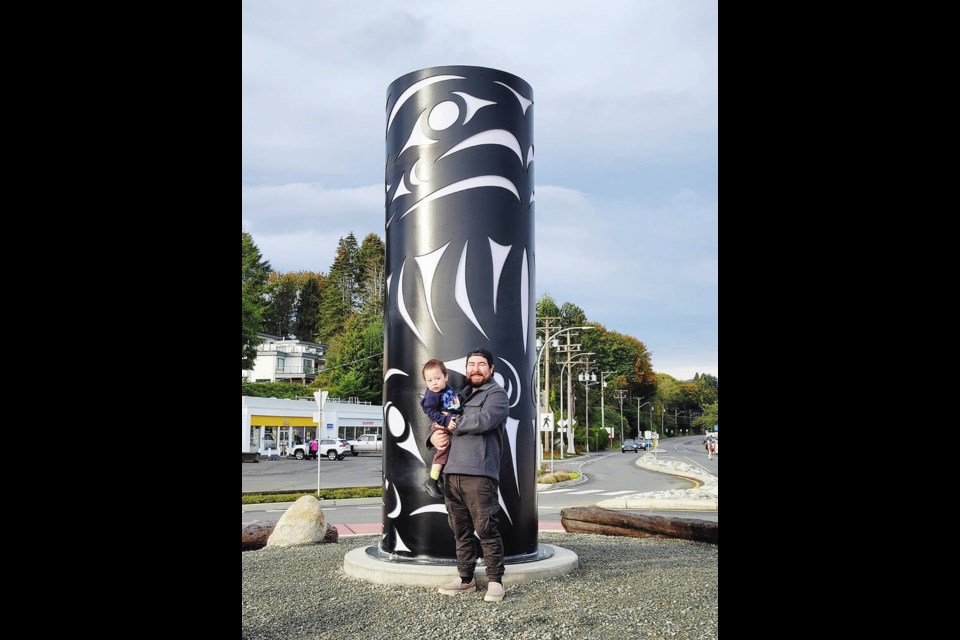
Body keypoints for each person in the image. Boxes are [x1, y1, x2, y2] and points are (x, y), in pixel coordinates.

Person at [428, 347, 509, 603]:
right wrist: (433, 437)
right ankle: (466, 579)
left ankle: (496, 581)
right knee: (460, 530)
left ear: (491, 369)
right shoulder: (458, 396)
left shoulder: (496, 395)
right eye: (471, 364)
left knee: (486, 528)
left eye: (481, 364)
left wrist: (454, 424)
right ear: (466, 369)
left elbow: (484, 421)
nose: (475, 368)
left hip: (480, 474)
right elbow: (439, 421)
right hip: (451, 474)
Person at [419, 359, 462, 499]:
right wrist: (446, 420)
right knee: (442, 450)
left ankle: (440, 475)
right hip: (441, 425)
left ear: (446, 377)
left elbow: (454, 404)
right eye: (430, 380)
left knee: (450, 449)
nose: (434, 383)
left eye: (437, 378)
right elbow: (429, 412)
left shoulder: (446, 389)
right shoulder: (431, 396)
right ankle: (432, 480)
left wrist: (455, 413)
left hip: (448, 422)